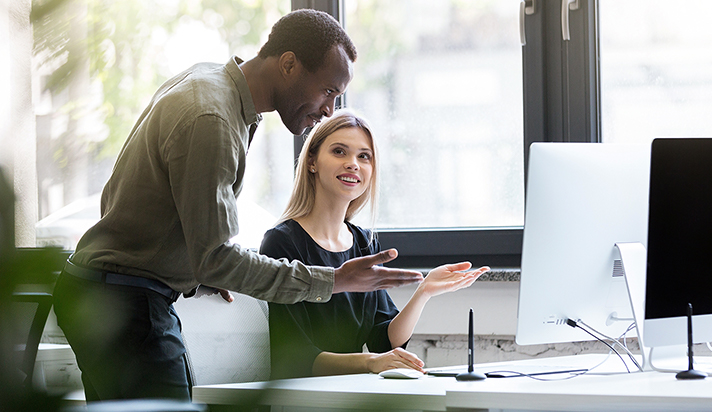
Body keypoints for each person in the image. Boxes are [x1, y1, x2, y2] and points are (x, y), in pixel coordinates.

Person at [52, 9, 423, 402]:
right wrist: (334, 280)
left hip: (113, 292)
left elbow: (129, 201)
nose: (330, 109)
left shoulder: (211, 86)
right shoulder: (212, 117)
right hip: (124, 301)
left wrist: (200, 265)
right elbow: (216, 257)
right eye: (328, 91)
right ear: (289, 65)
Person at [259, 110, 489, 380]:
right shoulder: (282, 242)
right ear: (312, 162)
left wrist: (424, 291)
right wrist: (370, 362)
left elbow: (386, 340)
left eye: (363, 156)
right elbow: (294, 357)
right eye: (339, 152)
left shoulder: (362, 243)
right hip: (307, 400)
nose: (353, 164)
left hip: (356, 394)